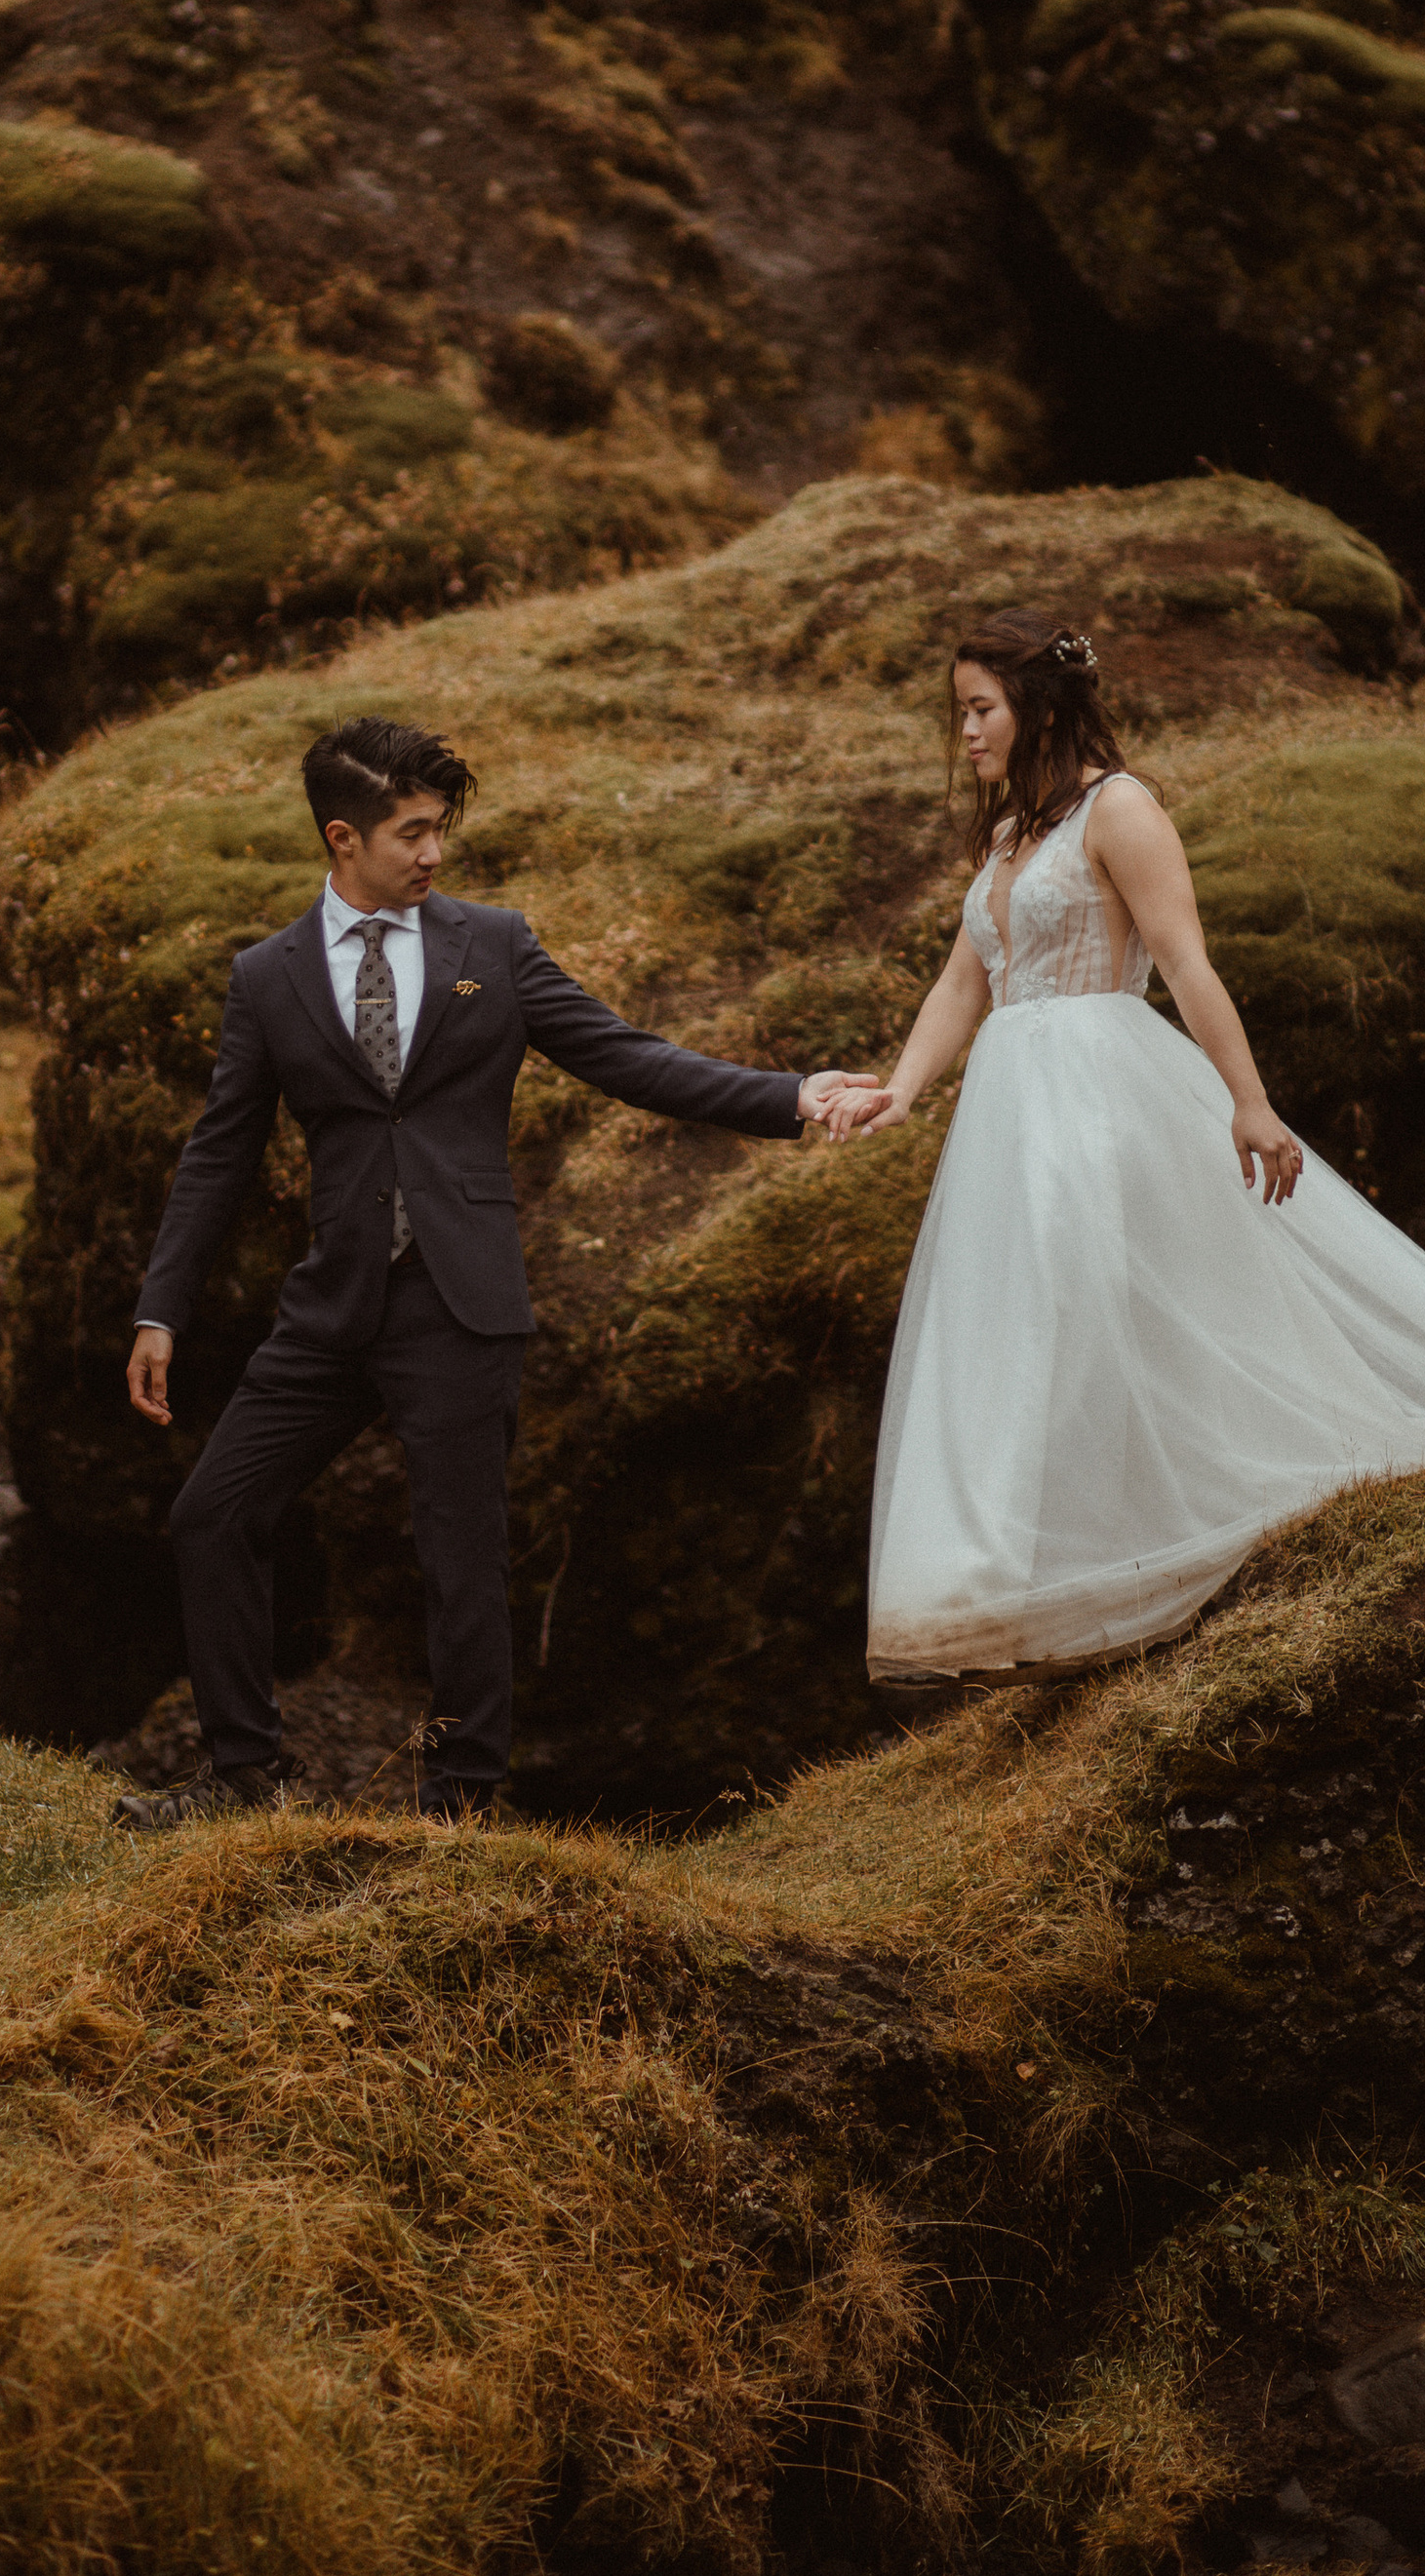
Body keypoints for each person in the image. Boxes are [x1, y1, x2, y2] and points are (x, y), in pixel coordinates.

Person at [821, 609, 1425, 1684]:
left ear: (1039, 706)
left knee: (1086, 1297)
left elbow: (1186, 964)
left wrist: (1248, 1103)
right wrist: (902, 1090)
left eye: (981, 709)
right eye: (961, 712)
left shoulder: (1122, 809)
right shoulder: (1010, 836)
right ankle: (1022, 1588)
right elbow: (962, 982)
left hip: (1102, 1091)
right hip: (1011, 1108)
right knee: (1016, 1317)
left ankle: (1121, 1559)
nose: (966, 732)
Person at [117, 714, 874, 1828]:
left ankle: (458, 1807)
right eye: (411, 832)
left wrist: (790, 1096)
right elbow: (219, 1154)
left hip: (460, 1302)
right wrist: (161, 1310)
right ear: (342, 838)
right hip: (330, 1307)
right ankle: (243, 1782)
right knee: (211, 1515)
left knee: (461, 1562)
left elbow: (625, 1057)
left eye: (441, 828)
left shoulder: (495, 944)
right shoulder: (266, 977)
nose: (433, 852)